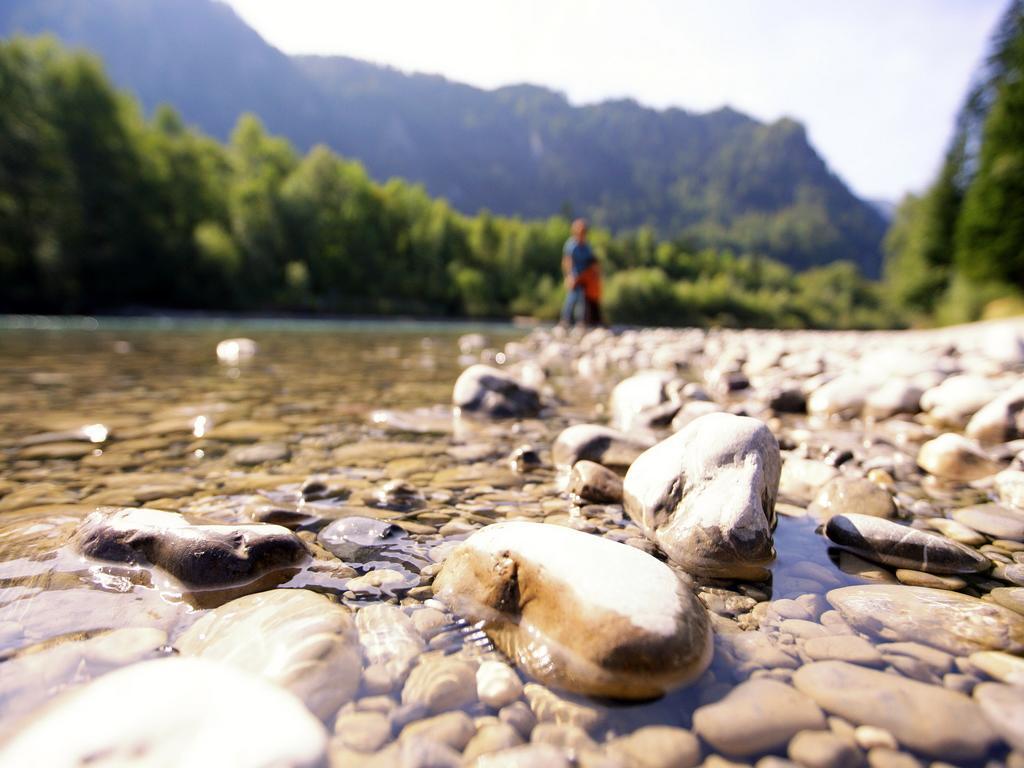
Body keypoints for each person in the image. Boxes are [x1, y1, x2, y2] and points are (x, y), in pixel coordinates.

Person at [560, 218, 602, 326]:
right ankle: (565, 320)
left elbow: (592, 261)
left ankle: (581, 322)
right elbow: (567, 261)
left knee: (583, 299)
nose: (583, 234)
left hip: (586, 277)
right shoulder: (571, 245)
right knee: (573, 297)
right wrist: (569, 276)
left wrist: (596, 275)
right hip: (575, 276)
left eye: (584, 232)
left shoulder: (586, 246)